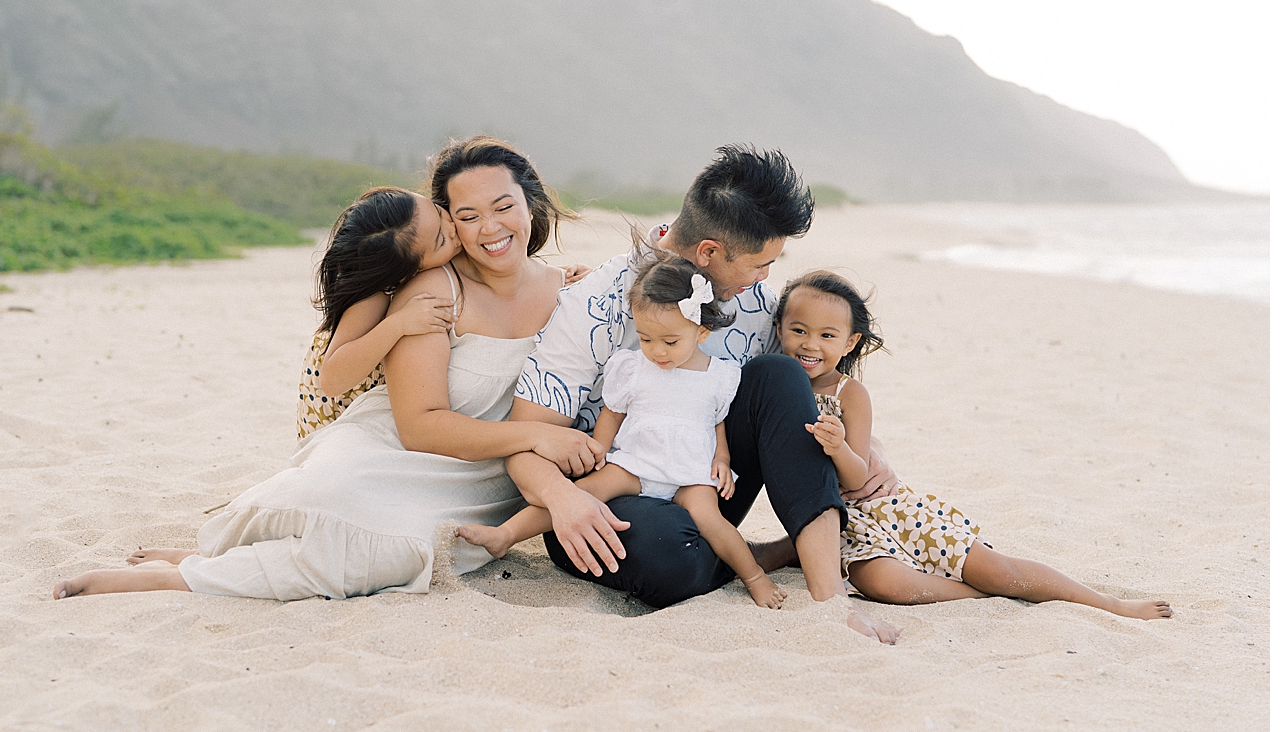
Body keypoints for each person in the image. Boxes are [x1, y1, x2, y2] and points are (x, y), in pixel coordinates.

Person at [53, 136, 602, 601]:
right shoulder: (433, 288)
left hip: (488, 474)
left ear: (531, 202)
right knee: (340, 507)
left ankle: (198, 567)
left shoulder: (575, 293)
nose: (487, 228)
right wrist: (535, 434)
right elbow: (413, 423)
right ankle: (184, 575)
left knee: (396, 553)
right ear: (448, 223)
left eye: (503, 206)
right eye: (465, 216)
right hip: (404, 445)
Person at [506, 144, 900, 643]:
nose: (765, 278)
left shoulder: (751, 299)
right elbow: (524, 439)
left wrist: (866, 443)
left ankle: (831, 600)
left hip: (708, 486)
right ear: (709, 252)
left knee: (779, 373)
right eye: (759, 265)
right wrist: (564, 501)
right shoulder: (595, 303)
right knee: (673, 555)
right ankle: (763, 554)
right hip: (611, 499)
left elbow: (803, 382)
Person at [777, 269, 1173, 620]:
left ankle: (1106, 604)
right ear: (780, 329)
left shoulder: (850, 394)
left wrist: (839, 447)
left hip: (885, 504)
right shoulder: (774, 389)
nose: (810, 344)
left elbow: (859, 472)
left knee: (1000, 570)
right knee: (888, 586)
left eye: (827, 335)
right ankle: (986, 597)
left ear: (849, 342)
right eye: (799, 331)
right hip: (843, 524)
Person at [459, 254, 787, 608]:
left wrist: (721, 458)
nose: (657, 351)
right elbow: (612, 414)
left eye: (670, 342)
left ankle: (755, 576)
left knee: (713, 523)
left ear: (701, 331)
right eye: (646, 338)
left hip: (690, 473)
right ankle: (505, 535)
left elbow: (716, 421)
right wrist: (599, 451)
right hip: (636, 463)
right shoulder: (632, 367)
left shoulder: (719, 375)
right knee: (583, 493)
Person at [296, 187, 590, 441]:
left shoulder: (420, 243)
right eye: (440, 240)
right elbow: (331, 380)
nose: (453, 229)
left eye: (439, 213)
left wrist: (557, 276)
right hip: (336, 409)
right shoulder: (373, 296)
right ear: (412, 271)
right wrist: (398, 324)